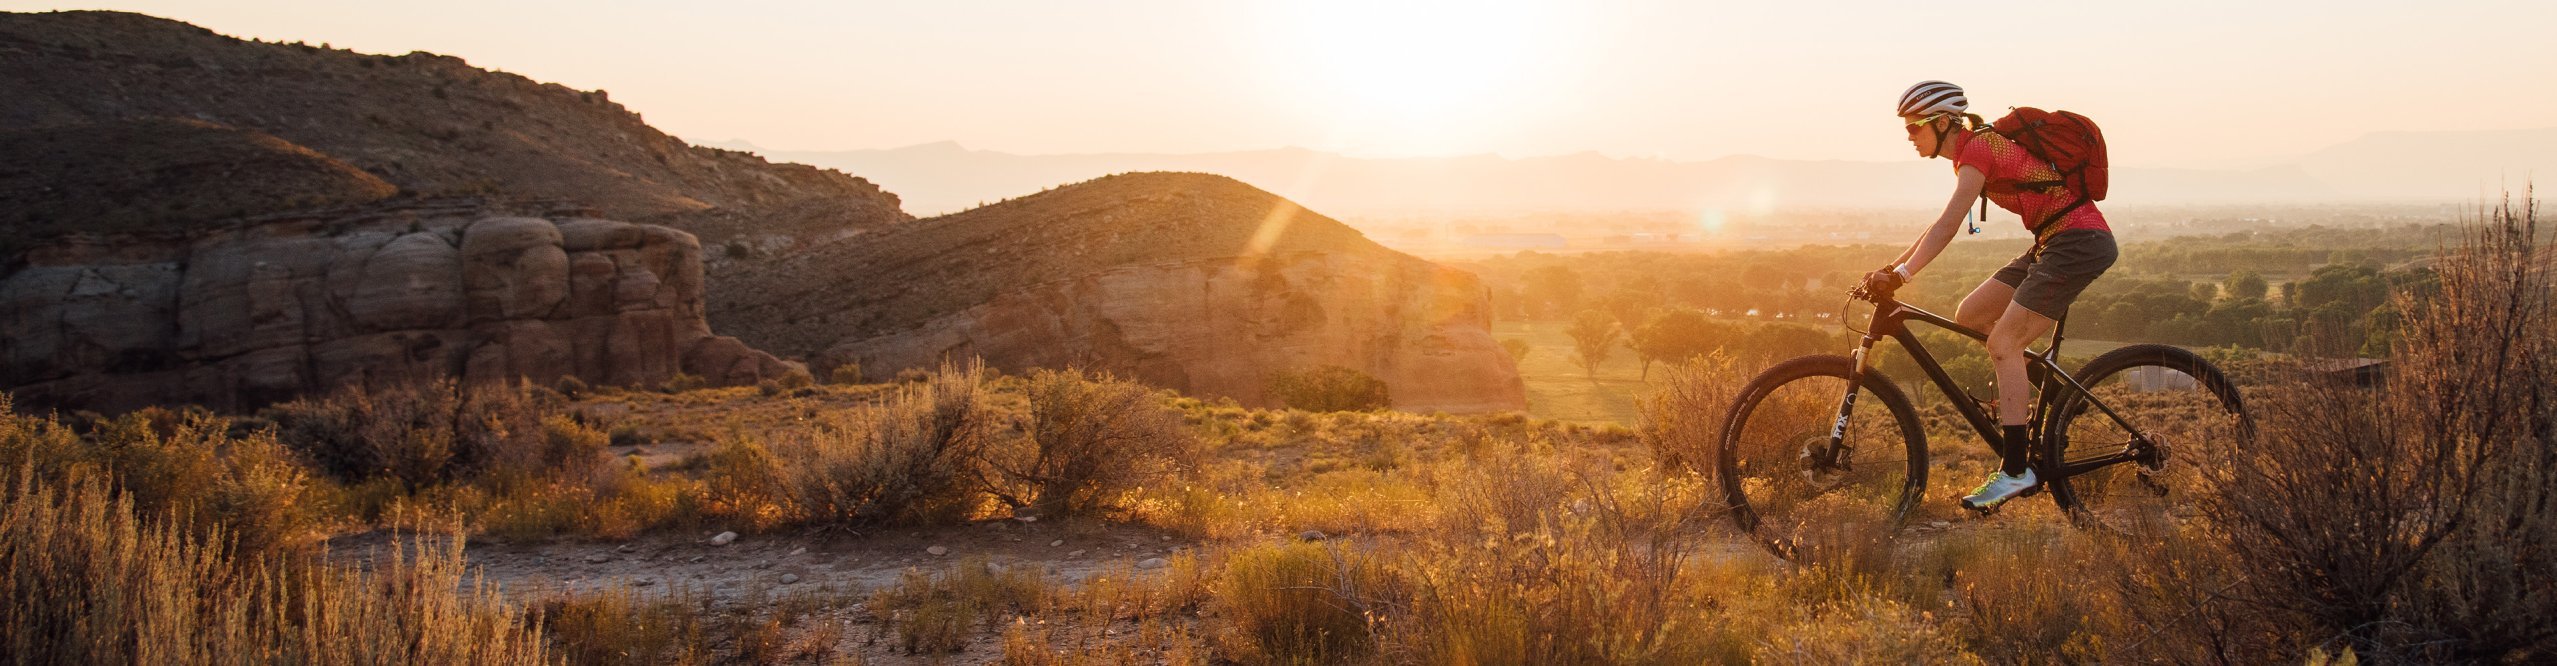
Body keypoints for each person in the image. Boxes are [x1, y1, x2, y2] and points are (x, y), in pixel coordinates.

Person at [1864, 80, 2118, 511]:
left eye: (1914, 127)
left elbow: (1948, 225)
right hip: (2051, 241)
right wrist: (1894, 269)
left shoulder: (1978, 149)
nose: (1909, 136)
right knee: (1972, 314)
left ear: (1943, 122)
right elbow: (1940, 224)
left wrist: (1903, 274)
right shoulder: (1971, 153)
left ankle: (2016, 471)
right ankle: (2057, 396)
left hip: (2077, 241)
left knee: (2003, 343)